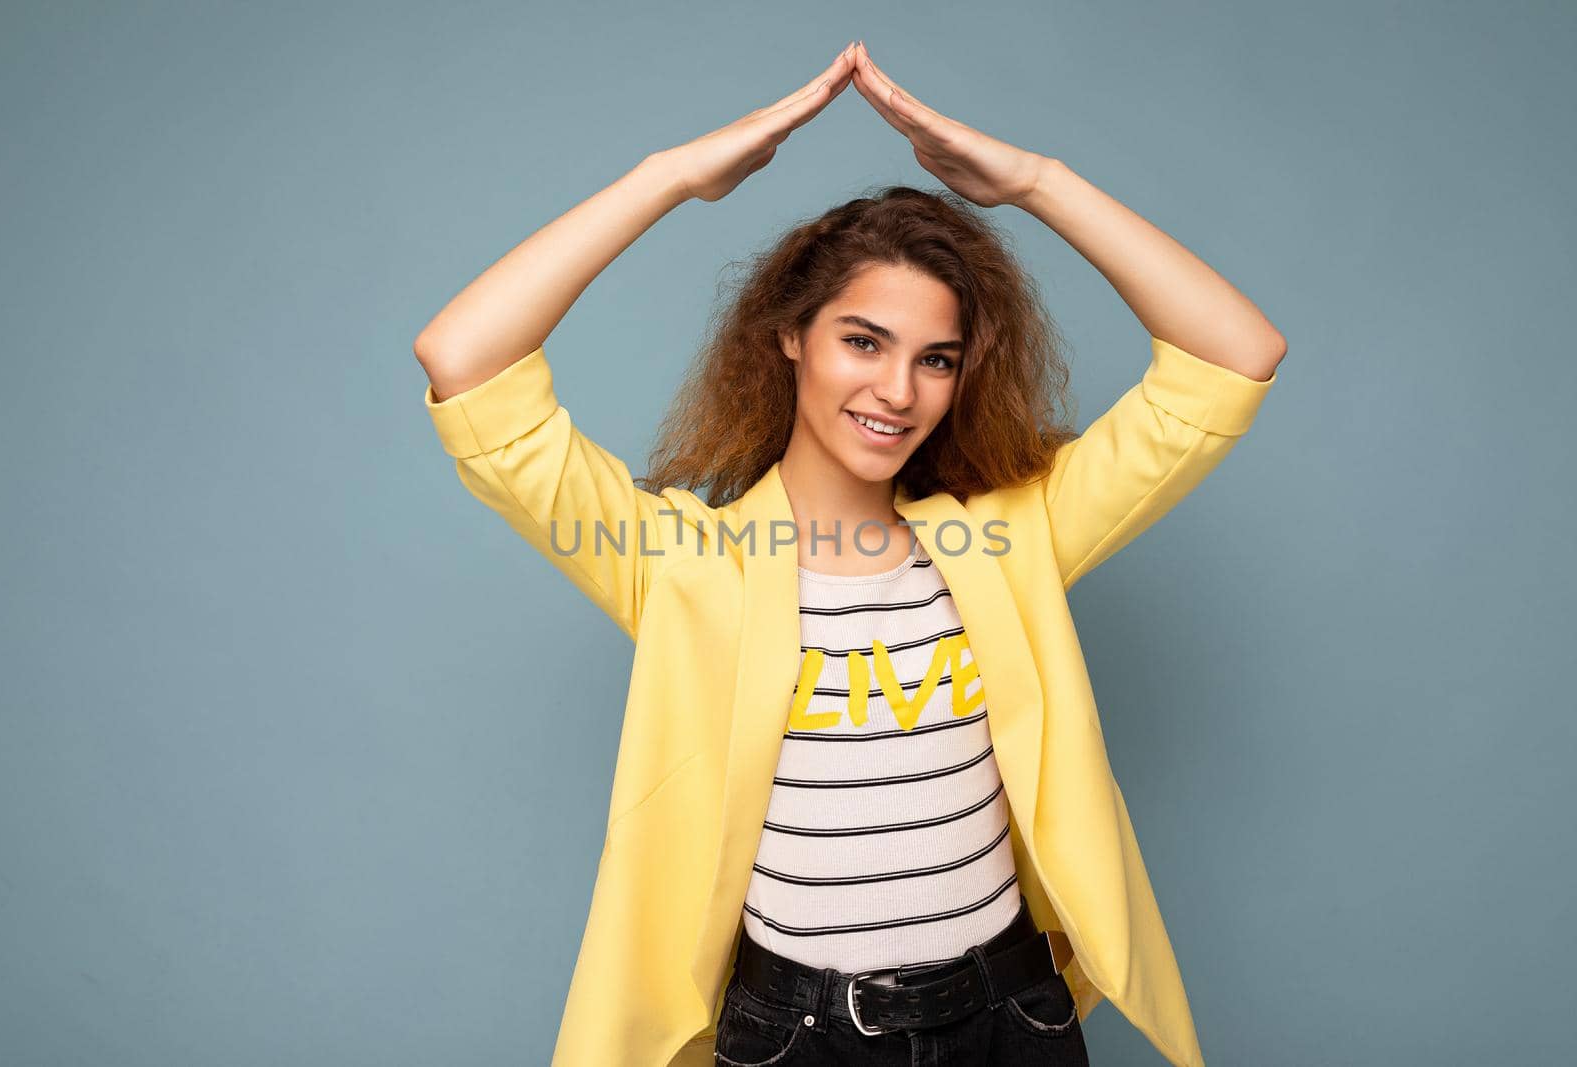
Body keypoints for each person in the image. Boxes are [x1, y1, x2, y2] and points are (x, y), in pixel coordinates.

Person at [416, 40, 1284, 1067]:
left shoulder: (1006, 537)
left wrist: (1038, 183)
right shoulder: (683, 566)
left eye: (936, 359)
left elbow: (1232, 356)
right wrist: (669, 179)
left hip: (1010, 1017)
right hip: (796, 1035)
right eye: (862, 341)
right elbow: (465, 361)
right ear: (791, 336)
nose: (897, 391)